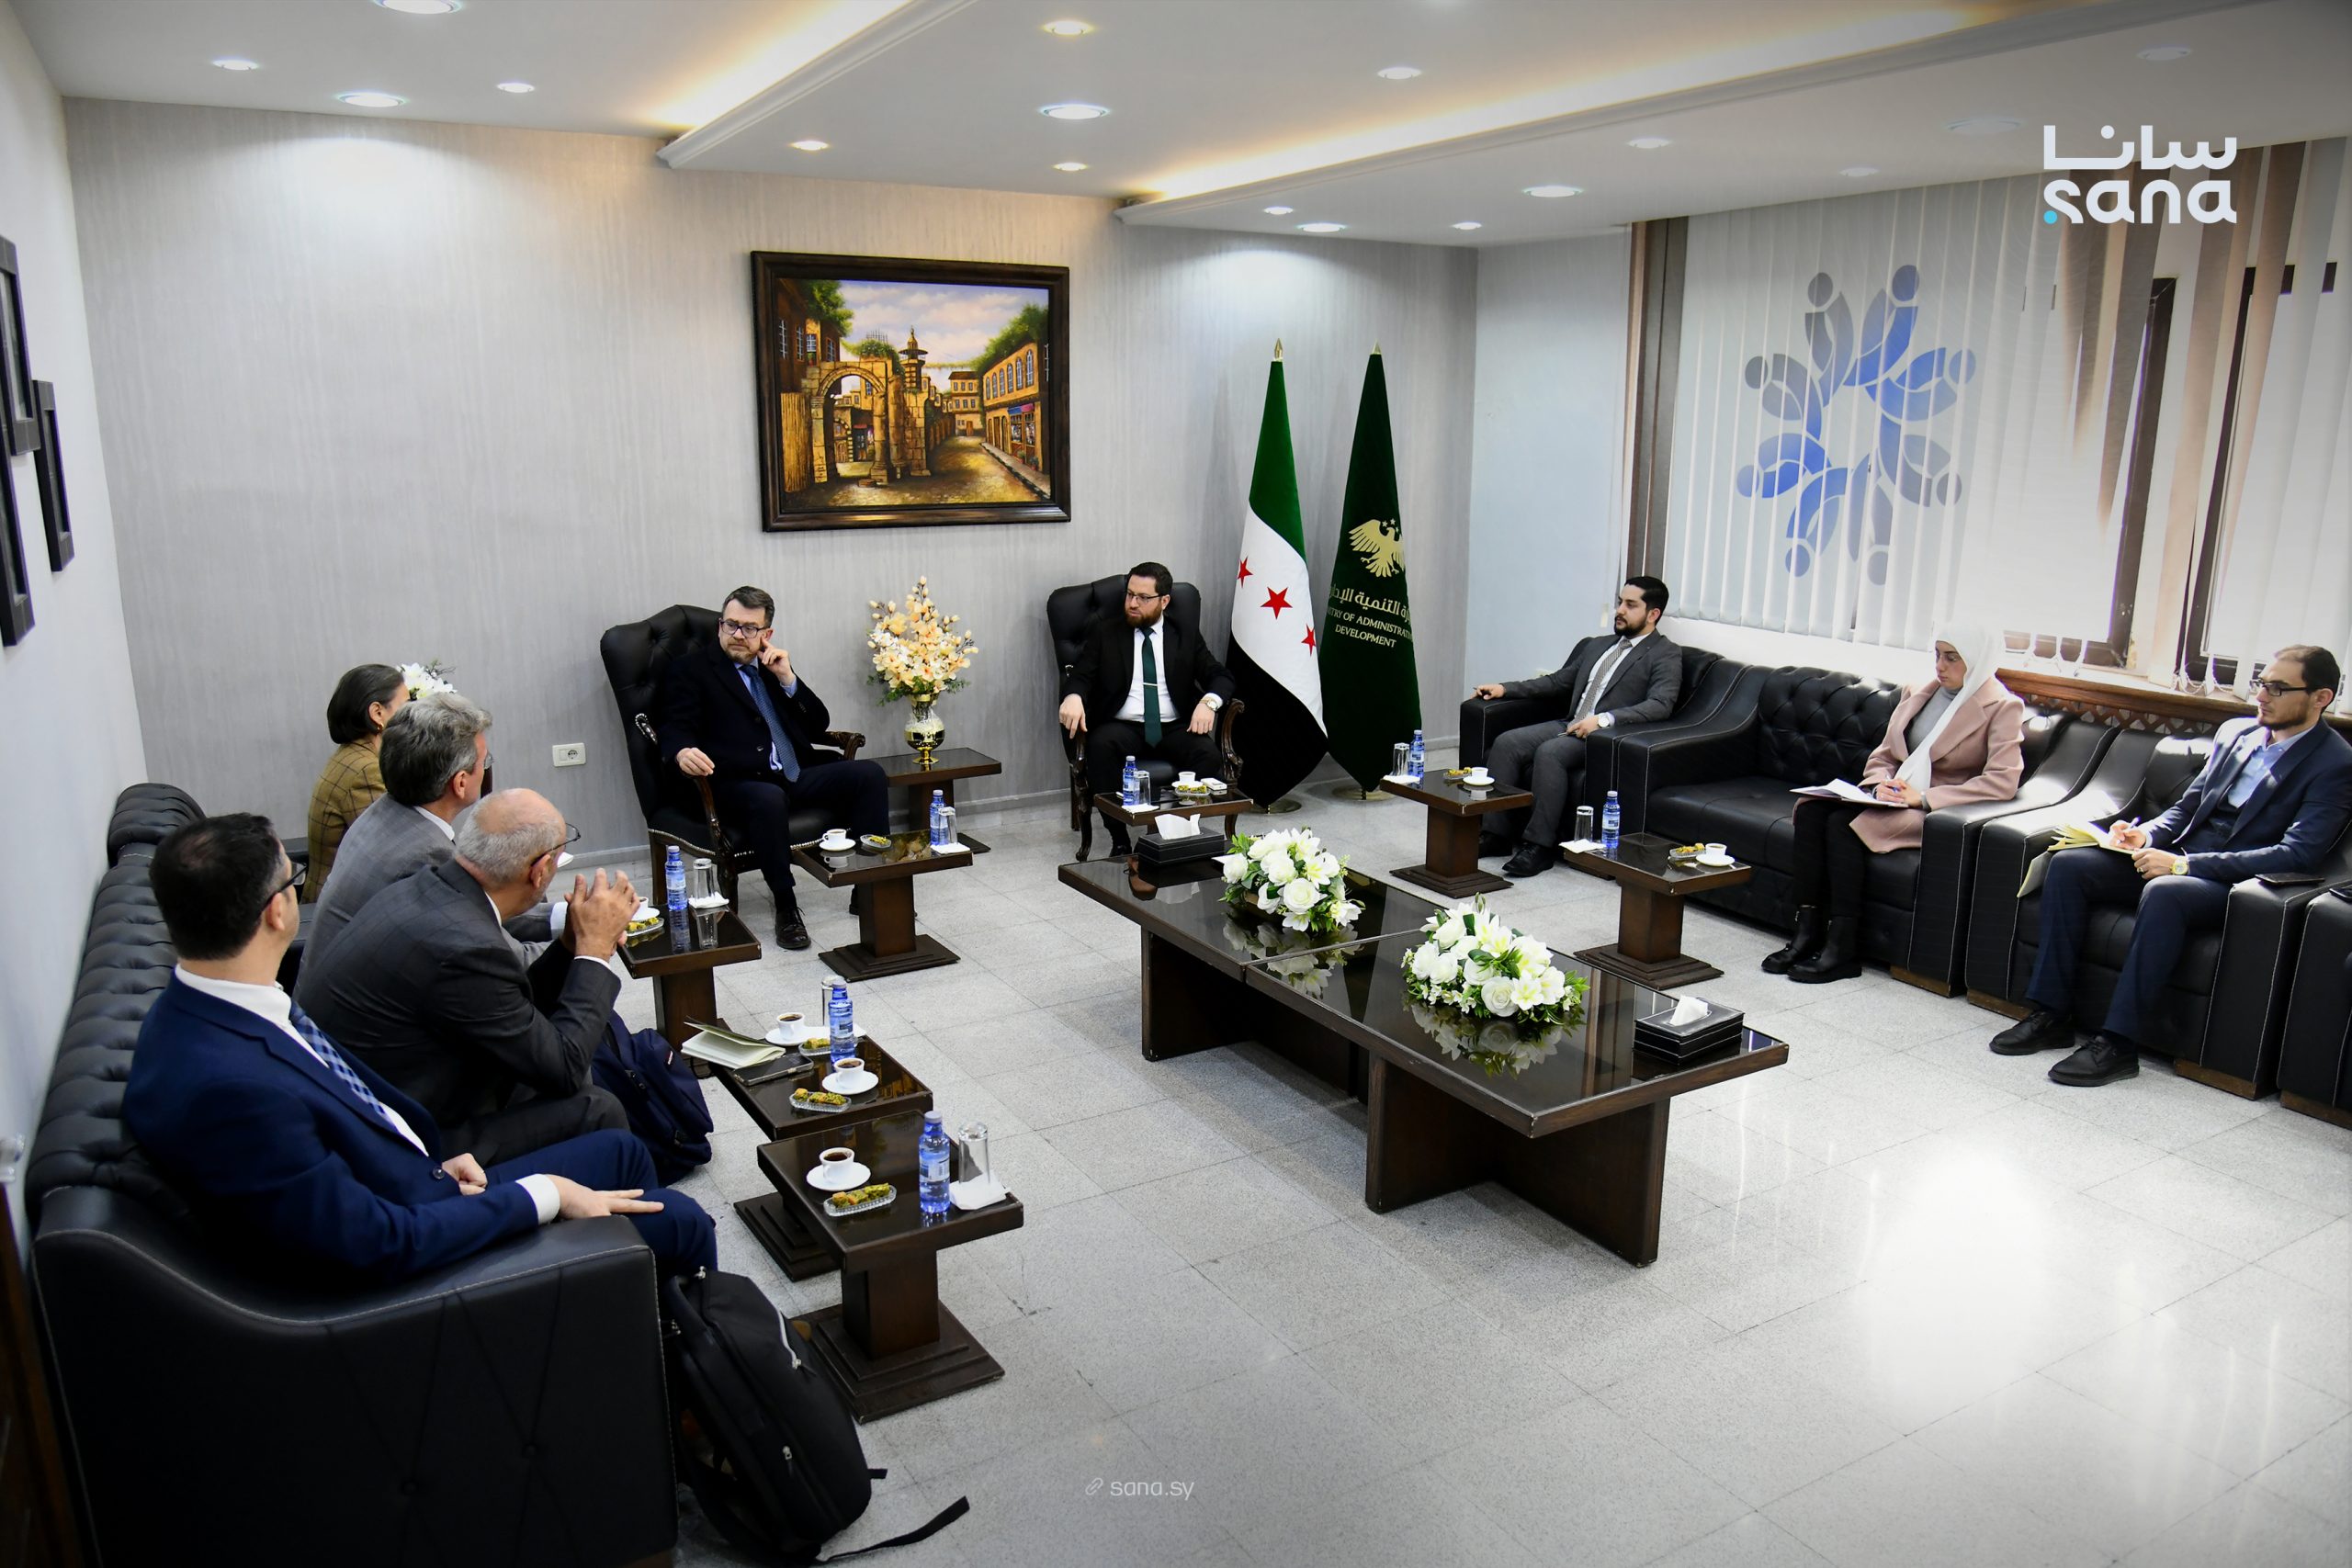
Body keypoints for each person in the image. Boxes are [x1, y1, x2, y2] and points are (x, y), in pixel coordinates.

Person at [125, 813, 714, 1282]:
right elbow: (375, 1243)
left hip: (420, 1173)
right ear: (278, 910)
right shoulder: (230, 1089)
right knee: (684, 1220)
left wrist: (429, 1157)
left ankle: (635, 1309)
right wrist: (546, 1194)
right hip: (422, 1245)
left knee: (623, 1153)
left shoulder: (210, 1009)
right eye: (292, 879)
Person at [1992, 645, 2352, 1087]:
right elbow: (2187, 807)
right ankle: (2051, 1014)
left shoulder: (2335, 763)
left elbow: (2297, 854)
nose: (2261, 696)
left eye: (2278, 688)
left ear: (2320, 697)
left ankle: (2118, 1044)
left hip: (2233, 880)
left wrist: (2184, 866)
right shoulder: (2237, 733)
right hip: (2179, 856)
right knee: (2070, 866)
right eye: (2261, 683)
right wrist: (2145, 835)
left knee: (2165, 892)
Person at [297, 790, 641, 1164]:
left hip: (355, 1102)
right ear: (540, 870)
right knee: (597, 1110)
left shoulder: (427, 889)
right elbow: (566, 1068)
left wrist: (569, 945)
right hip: (394, 1142)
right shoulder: (466, 948)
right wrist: (594, 950)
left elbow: (513, 1009)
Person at [1764, 623, 2023, 983]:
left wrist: (1926, 798)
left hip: (1937, 811)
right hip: (1892, 797)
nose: (1940, 666)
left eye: (1952, 658)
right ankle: (1806, 932)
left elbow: (2003, 780)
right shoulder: (1918, 692)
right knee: (1812, 810)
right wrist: (1879, 783)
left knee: (1842, 824)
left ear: (1977, 659)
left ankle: (1842, 948)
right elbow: (1885, 755)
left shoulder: (2003, 707)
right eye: (1937, 655)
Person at [659, 585, 888, 951]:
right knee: (767, 798)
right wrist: (681, 751)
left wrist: (788, 679)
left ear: (767, 633)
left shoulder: (771, 668)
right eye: (731, 625)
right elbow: (674, 727)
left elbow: (817, 725)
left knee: (869, 774)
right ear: (720, 625)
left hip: (793, 773)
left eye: (749, 628)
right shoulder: (691, 671)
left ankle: (871, 888)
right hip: (738, 782)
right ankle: (786, 907)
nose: (738, 634)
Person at [306, 688, 537, 969]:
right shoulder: (427, 857)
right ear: (460, 783)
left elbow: (483, 908)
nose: (486, 769)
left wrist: (564, 915)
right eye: (484, 762)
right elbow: (508, 959)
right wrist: (584, 944)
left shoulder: (383, 813)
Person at [1470, 577, 1682, 878]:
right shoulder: (1599, 645)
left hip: (1603, 736)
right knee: (1507, 743)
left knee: (1550, 753)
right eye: (1620, 602)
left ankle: (1539, 847)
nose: (1620, 610)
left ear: (1653, 614)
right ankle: (1496, 834)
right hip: (1570, 722)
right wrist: (1505, 688)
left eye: (1630, 605)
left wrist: (1605, 720)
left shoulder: (1665, 653)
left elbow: (1660, 704)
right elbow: (1558, 681)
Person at [1059, 562, 1236, 856]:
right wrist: (1074, 695)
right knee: (1100, 747)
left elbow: (1220, 676)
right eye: (1130, 595)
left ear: (1164, 601)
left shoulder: (1184, 633)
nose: (1132, 603)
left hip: (1174, 725)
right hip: (1122, 725)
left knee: (1208, 756)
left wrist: (1209, 702)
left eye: (1143, 597)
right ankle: (1119, 838)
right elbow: (1080, 676)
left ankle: (1166, 829)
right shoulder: (1106, 631)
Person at [302, 664, 408, 900]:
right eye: (405, 706)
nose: (412, 716)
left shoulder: (353, 756)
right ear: (377, 713)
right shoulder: (366, 771)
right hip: (344, 906)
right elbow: (394, 854)